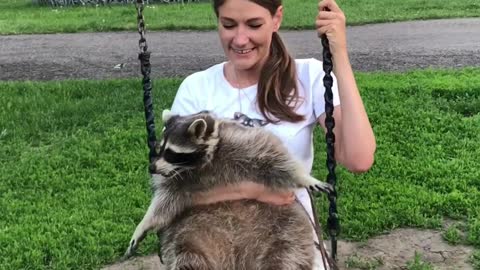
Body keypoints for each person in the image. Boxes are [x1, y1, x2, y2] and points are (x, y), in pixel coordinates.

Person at [169, 0, 376, 267]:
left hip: (287, 248)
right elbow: (175, 187)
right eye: (228, 25)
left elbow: (358, 159)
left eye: (254, 25)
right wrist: (256, 190)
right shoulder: (197, 89)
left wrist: (340, 55)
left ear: (276, 19)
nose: (240, 39)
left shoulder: (308, 77)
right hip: (219, 252)